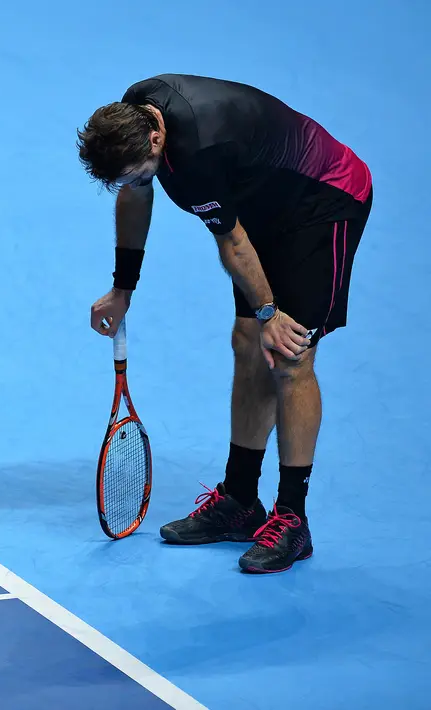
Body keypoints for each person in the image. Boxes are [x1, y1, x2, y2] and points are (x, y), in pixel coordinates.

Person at [76, 74, 372, 574]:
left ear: (156, 139)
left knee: (287, 354)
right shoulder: (135, 112)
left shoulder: (197, 156)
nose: (133, 181)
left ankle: (293, 519)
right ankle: (240, 501)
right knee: (247, 344)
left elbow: (232, 245)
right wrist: (123, 288)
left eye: (137, 171)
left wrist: (269, 316)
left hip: (322, 201)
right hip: (262, 200)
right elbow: (136, 192)